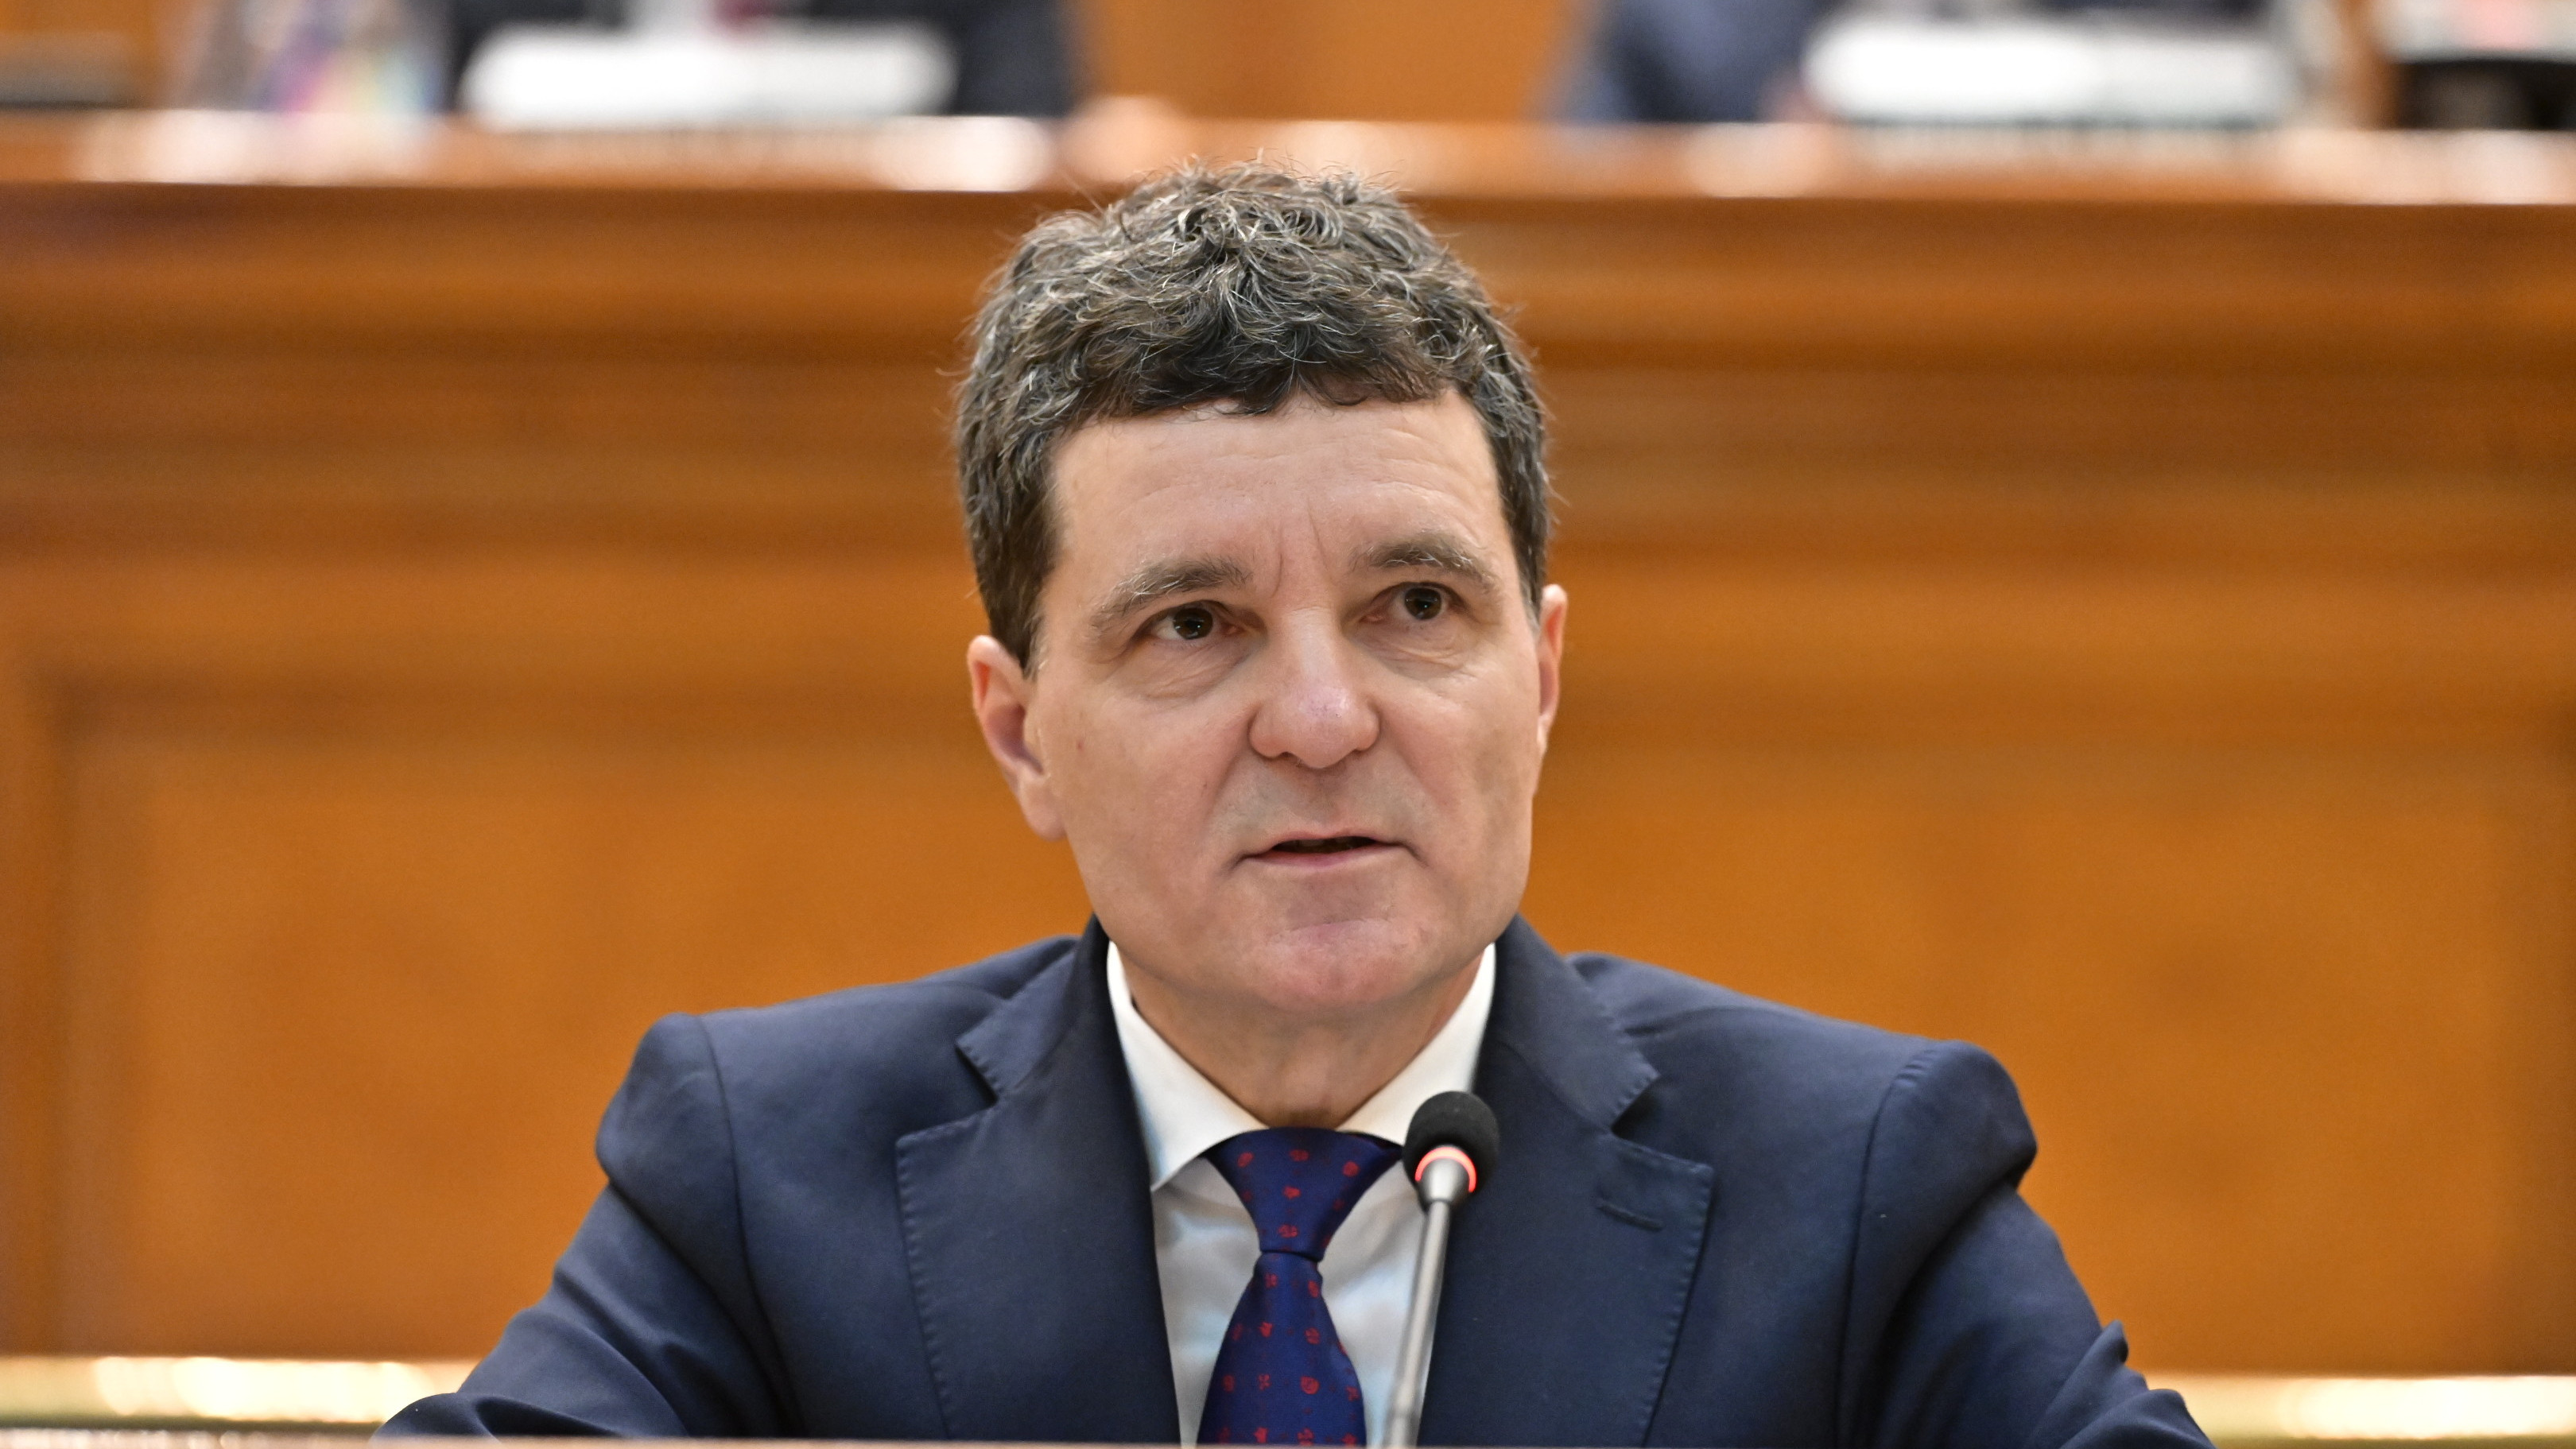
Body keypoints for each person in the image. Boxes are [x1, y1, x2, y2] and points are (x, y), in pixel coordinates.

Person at [381, 166, 2210, 1447]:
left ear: (1540, 679)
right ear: (1021, 733)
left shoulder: (1861, 1183)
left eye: (1415, 607)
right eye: (1195, 626)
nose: (1325, 722)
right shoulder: (762, 1174)